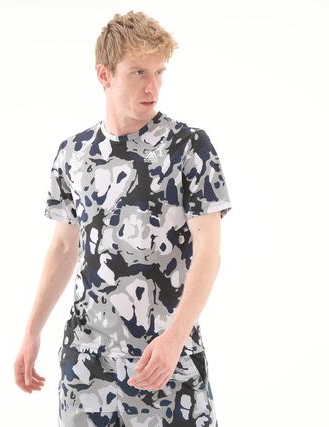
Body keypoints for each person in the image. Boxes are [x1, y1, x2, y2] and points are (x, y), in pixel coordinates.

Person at [14, 10, 232, 427]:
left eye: (159, 72)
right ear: (104, 75)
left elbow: (209, 253)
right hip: (87, 364)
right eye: (138, 72)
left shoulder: (189, 148)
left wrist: (174, 339)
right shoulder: (73, 153)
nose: (153, 86)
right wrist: (32, 331)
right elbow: (64, 247)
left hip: (164, 361)